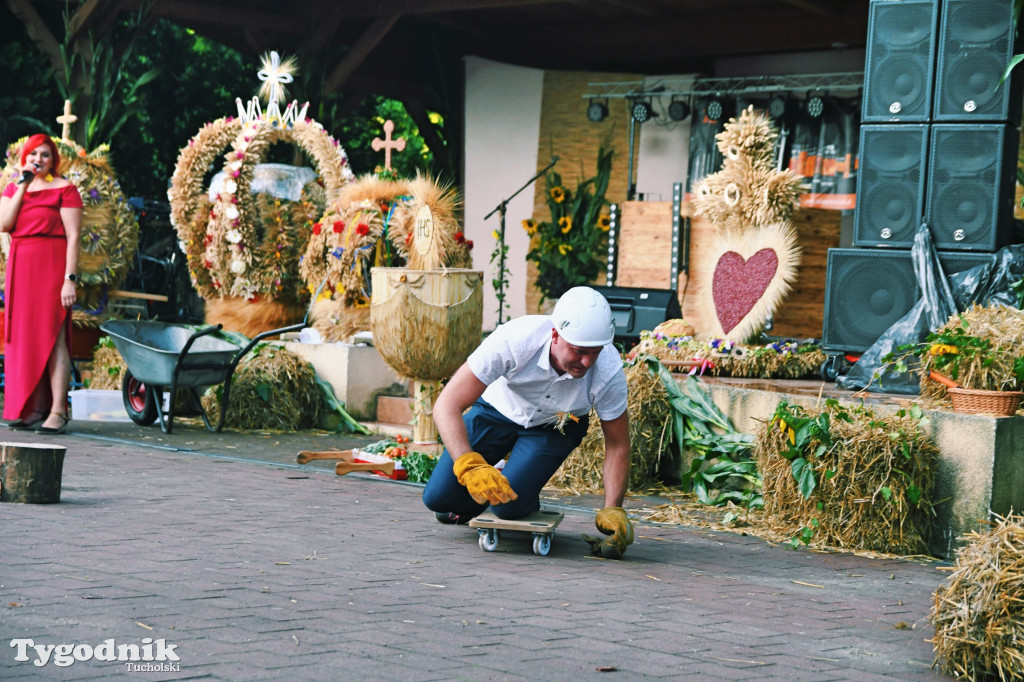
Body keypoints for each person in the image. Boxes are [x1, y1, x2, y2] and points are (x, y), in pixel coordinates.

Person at [422, 286, 634, 559]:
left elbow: (618, 445)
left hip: (557, 424)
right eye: (579, 351)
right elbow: (447, 404)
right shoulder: (516, 338)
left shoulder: (609, 370)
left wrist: (613, 509)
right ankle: (492, 474)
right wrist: (469, 465)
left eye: (595, 352)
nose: (587, 361)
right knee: (438, 499)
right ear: (555, 334)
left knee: (507, 508)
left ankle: (520, 483)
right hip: (498, 410)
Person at [0, 134, 82, 434]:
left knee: (54, 337)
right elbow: (4, 224)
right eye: (33, 154)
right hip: (21, 269)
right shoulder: (13, 188)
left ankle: (58, 411)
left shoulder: (65, 189)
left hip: (51, 267)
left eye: (45, 155)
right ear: (25, 157)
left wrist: (69, 280)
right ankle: (32, 408)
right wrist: (23, 184)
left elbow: (74, 237)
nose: (38, 159)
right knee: (22, 339)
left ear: (54, 160)